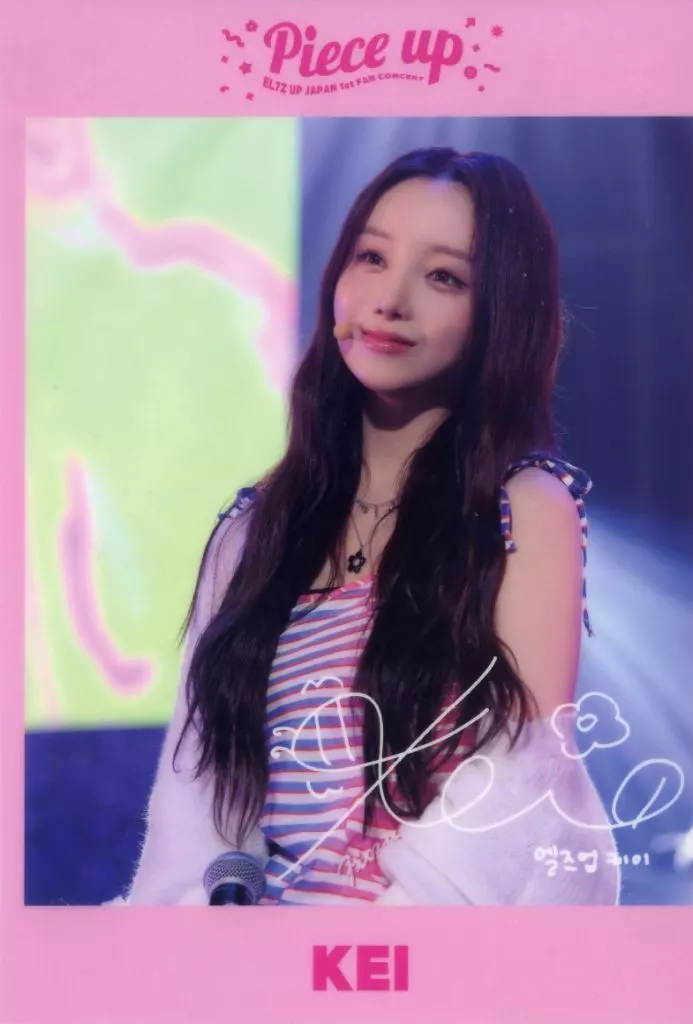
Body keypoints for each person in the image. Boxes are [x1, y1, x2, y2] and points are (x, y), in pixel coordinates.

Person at [114, 147, 620, 907]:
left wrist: (367, 954)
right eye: (372, 257)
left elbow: (520, 778)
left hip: (434, 953)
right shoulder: (252, 533)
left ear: (501, 313)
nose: (390, 299)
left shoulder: (522, 509)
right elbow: (199, 807)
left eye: (443, 276)